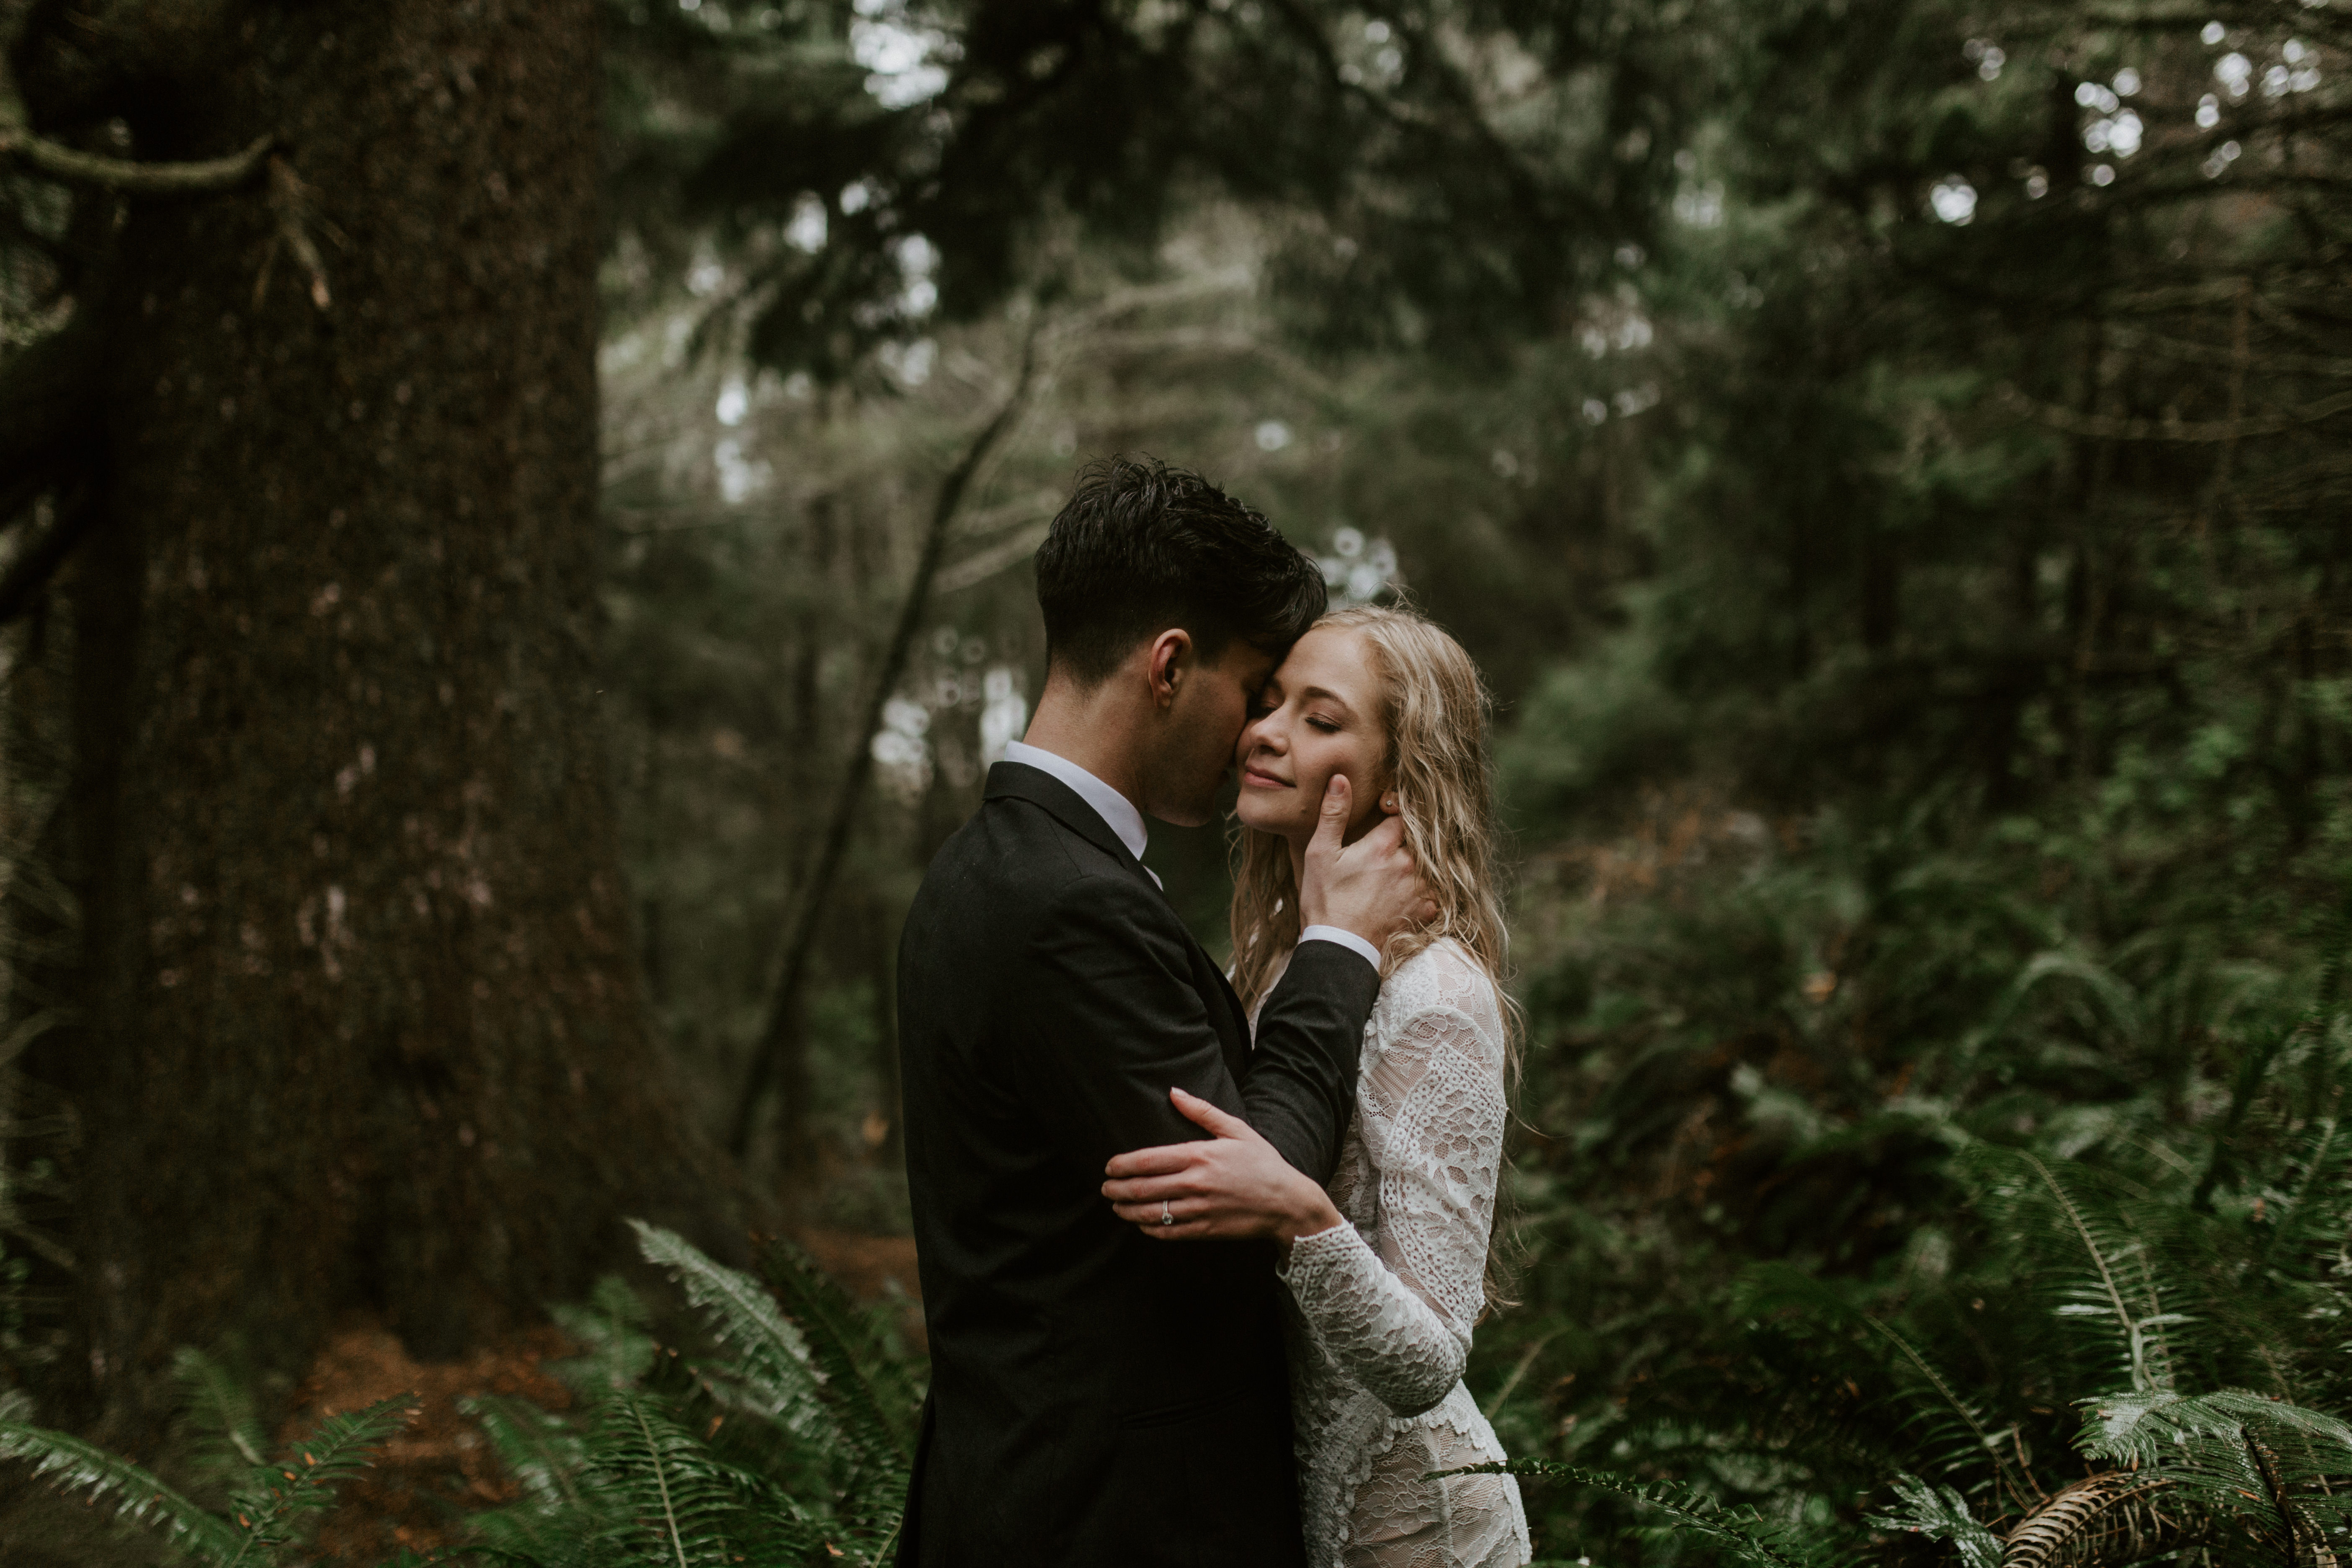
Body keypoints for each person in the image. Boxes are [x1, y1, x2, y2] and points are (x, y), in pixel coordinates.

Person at [894, 458, 1434, 1566]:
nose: (1254, 734)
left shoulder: (995, 871)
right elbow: (1242, 1192)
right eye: (1252, 692)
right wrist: (1339, 946)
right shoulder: (1062, 904)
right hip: (1108, 1525)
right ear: (1171, 667)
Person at [1103, 604, 1532, 1568]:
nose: (1265, 731)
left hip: (1422, 1529)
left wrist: (1301, 1220)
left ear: (1400, 772)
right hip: (1288, 1513)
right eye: (1270, 704)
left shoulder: (1434, 993)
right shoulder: (1272, 965)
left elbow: (1429, 1361)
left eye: (1321, 718)